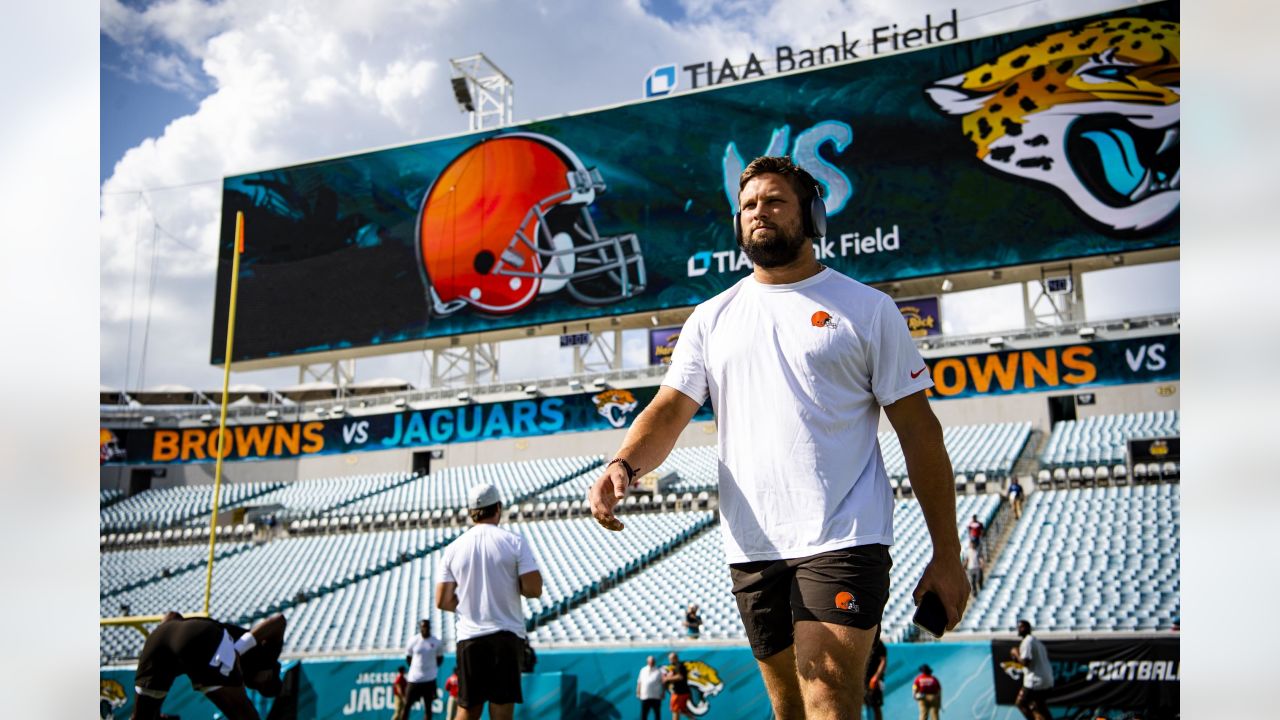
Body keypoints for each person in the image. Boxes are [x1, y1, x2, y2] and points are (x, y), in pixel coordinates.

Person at [589, 155, 969, 720]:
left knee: (829, 700)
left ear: (812, 215)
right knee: (789, 707)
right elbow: (669, 409)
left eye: (773, 201)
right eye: (747, 206)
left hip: (844, 534)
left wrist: (948, 553)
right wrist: (624, 462)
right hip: (753, 546)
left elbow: (921, 434)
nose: (758, 212)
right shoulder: (711, 318)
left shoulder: (868, 310)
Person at [436, 483, 543, 720]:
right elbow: (534, 589)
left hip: (470, 637)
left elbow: (442, 600)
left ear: (471, 512)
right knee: (502, 709)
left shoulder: (453, 548)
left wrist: (468, 604)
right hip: (505, 636)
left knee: (467, 708)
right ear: (498, 507)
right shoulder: (514, 542)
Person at [131, 612, 286, 720]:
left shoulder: (246, 675)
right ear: (271, 672)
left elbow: (172, 615)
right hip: (207, 638)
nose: (255, 686)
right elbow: (280, 620)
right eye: (264, 685)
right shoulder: (269, 654)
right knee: (246, 716)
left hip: (159, 638)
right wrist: (237, 650)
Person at [395, 619, 444, 720]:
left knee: (428, 707)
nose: (425, 629)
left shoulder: (436, 641)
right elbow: (408, 658)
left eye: (427, 626)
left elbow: (440, 658)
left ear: (430, 627)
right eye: (423, 626)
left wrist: (431, 670)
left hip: (429, 679)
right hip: (414, 679)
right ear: (420, 628)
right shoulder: (413, 640)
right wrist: (417, 669)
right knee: (407, 705)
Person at [1010, 620, 1054, 720]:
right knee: (1039, 707)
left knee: (1020, 703)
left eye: (1021, 627)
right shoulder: (1037, 642)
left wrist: (1015, 653)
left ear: (1027, 628)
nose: (1019, 629)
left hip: (1035, 681)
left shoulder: (1027, 642)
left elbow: (1026, 663)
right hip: (1047, 680)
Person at [863, 635, 887, 720]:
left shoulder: (878, 644)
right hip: (862, 679)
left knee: (876, 705)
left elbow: (883, 661)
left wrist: (876, 676)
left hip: (873, 680)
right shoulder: (863, 641)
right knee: (861, 704)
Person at [636, 655, 666, 720]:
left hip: (656, 697)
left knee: (657, 714)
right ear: (647, 662)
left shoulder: (659, 671)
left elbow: (663, 683)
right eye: (650, 661)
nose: (651, 663)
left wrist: (663, 693)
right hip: (645, 696)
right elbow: (639, 682)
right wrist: (638, 692)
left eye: (652, 661)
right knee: (644, 714)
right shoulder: (643, 670)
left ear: (655, 662)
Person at [663, 652, 691, 720]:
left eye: (671, 659)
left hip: (679, 693)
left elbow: (680, 677)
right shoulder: (677, 666)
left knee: (675, 710)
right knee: (682, 710)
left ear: (675, 658)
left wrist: (667, 678)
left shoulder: (679, 665)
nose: (669, 661)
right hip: (683, 691)